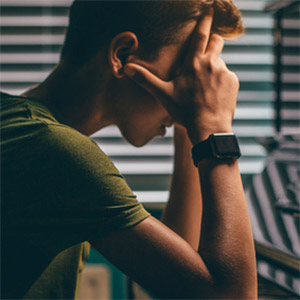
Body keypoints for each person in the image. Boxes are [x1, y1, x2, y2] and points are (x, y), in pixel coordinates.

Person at [1, 0, 257, 299]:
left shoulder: (26, 129)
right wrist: (215, 127)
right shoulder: (55, 151)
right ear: (122, 54)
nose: (190, 90)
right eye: (182, 70)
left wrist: (192, 122)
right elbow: (230, 296)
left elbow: (179, 277)